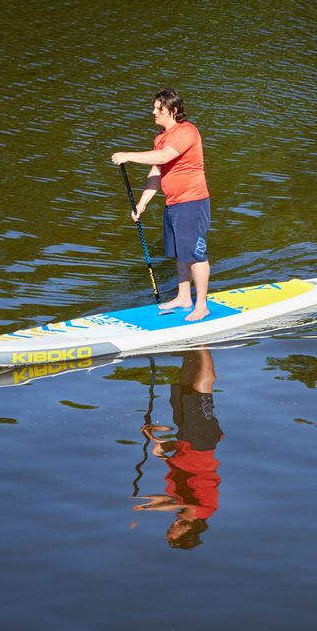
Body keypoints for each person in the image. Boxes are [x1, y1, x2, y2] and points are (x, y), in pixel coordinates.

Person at [111, 88, 211, 321]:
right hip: (173, 202)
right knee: (180, 253)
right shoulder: (160, 138)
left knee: (196, 254)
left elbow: (163, 157)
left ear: (173, 110)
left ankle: (202, 305)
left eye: (159, 108)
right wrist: (142, 203)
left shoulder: (187, 132)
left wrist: (128, 155)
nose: (154, 112)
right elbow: (156, 171)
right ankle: (184, 297)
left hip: (192, 202)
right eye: (154, 107)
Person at [133, 349, 222, 549]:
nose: (171, 526)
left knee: (183, 391)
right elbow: (179, 504)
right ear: (188, 531)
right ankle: (202, 347)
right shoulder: (204, 510)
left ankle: (190, 353)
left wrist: (143, 502)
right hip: (202, 442)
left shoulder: (178, 503)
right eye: (173, 531)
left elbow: (169, 497)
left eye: (168, 530)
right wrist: (150, 509)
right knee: (201, 391)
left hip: (186, 443)